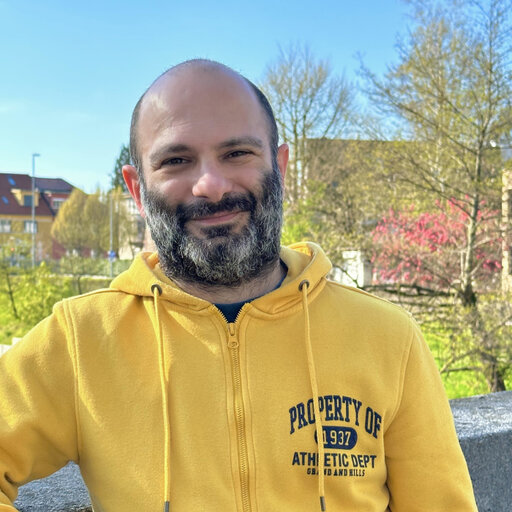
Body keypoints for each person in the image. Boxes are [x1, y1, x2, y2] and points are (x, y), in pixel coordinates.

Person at [0, 60, 477, 512]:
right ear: (136, 189)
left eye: (236, 153)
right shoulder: (81, 340)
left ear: (281, 166)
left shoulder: (389, 338)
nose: (210, 184)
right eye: (176, 160)